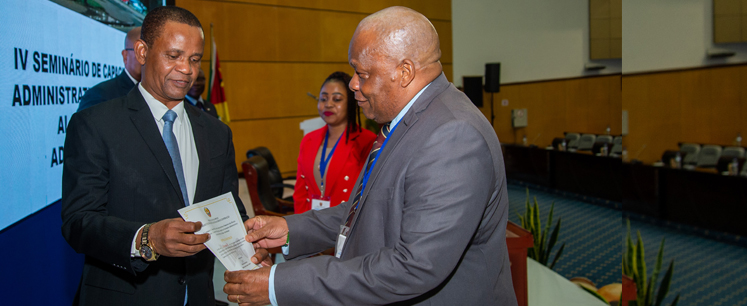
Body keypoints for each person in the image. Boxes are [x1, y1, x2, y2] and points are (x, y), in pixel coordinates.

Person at [223, 6, 516, 306]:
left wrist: (278, 283)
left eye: (362, 73)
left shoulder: (453, 135)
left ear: (404, 72)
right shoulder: (406, 121)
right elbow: (367, 210)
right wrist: (291, 230)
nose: (352, 83)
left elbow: (414, 266)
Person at [61, 7, 260, 306]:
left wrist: (251, 247)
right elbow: (78, 223)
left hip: (199, 296)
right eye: (174, 56)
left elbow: (228, 210)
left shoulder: (218, 133)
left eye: (194, 59)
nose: (186, 70)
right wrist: (148, 239)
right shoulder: (95, 125)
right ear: (142, 51)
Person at [292, 71, 375, 214]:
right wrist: (302, 226)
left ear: (350, 102)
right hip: (311, 224)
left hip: (345, 224)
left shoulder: (367, 141)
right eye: (323, 99)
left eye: (337, 99)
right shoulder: (309, 140)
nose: (328, 104)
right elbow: (300, 193)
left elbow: (368, 196)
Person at [77, 26, 142, 111]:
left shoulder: (158, 95)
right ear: (125, 56)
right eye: (141, 51)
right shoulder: (100, 95)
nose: (148, 57)